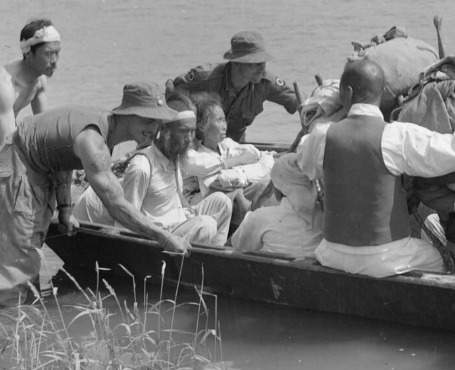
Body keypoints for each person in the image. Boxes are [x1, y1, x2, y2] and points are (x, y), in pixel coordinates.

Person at [0, 83, 191, 306]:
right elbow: (115, 203)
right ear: (128, 114)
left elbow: (61, 154)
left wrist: (66, 208)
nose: (154, 129)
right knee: (13, 265)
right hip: (15, 170)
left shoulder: (102, 125)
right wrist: (164, 237)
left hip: (36, 170)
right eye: (148, 120)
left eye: (158, 122)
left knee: (26, 257)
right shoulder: (94, 141)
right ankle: (1, 328)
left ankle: (23, 324)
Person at [315, 58, 455, 278]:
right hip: (385, 260)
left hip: (331, 254)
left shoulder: (321, 136)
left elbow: (307, 166)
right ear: (383, 93)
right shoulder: (397, 135)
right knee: (443, 259)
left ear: (346, 93)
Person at [71, 93, 234, 248]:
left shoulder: (175, 156)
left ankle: (215, 255)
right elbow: (126, 221)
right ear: (165, 131)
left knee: (222, 201)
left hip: (174, 222)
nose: (190, 139)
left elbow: (177, 201)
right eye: (184, 131)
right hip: (158, 234)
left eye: (192, 131)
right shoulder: (142, 166)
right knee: (206, 224)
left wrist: (188, 212)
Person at [0, 19, 61, 258]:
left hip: (3, 137)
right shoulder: (3, 83)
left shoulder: (39, 80)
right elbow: (8, 143)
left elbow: (42, 127)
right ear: (28, 53)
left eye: (58, 53)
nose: (55, 61)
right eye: (48, 54)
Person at [165, 30, 300, 143]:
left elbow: (298, 101)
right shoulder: (206, 77)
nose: (262, 67)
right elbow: (172, 94)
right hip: (199, 147)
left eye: (263, 61)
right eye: (255, 62)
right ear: (236, 62)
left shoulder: (266, 83)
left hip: (235, 147)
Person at [180, 93, 275, 230]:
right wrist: (241, 163)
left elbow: (257, 155)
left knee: (263, 185)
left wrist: (240, 170)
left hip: (228, 195)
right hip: (208, 205)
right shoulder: (200, 155)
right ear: (202, 126)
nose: (225, 125)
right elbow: (221, 181)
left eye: (224, 120)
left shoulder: (226, 145)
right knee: (234, 190)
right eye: (219, 120)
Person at [230, 153, 325, 259]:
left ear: (277, 188)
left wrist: (256, 206)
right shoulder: (325, 215)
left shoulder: (260, 217)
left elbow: (237, 246)